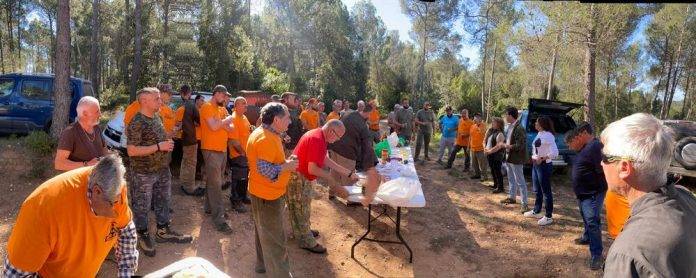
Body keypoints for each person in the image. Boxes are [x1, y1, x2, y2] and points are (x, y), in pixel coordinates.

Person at [3, 155, 138, 277]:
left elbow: (126, 231)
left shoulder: (115, 191)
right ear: (97, 192)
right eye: (113, 204)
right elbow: (15, 275)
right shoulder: (43, 209)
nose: (116, 212)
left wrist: (126, 273)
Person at [600, 113, 696, 277]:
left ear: (624, 168)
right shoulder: (686, 197)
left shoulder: (628, 254)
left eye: (605, 157)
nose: (601, 163)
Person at [126, 87, 193, 257]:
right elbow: (132, 151)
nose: (160, 101)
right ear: (145, 101)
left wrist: (170, 137)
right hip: (143, 173)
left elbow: (162, 137)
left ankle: (163, 231)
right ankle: (142, 234)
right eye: (156, 99)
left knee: (164, 201)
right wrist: (158, 146)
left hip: (162, 169)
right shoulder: (137, 122)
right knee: (141, 205)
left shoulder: (156, 117)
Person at [288, 120, 357, 254]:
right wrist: (332, 180)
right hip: (299, 177)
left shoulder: (320, 135)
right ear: (332, 131)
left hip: (302, 176)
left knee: (304, 207)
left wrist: (348, 173)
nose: (337, 140)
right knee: (301, 208)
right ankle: (306, 241)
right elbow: (312, 169)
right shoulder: (316, 139)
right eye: (338, 137)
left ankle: (304, 231)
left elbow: (325, 159)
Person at [247, 102, 299, 277]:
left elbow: (269, 163)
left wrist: (285, 163)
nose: (290, 122)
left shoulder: (267, 134)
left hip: (261, 193)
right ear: (276, 120)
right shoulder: (266, 138)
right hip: (267, 196)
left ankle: (262, 266)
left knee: (263, 232)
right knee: (276, 240)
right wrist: (288, 166)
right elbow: (266, 171)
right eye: (287, 118)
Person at [564, 122, 607, 270]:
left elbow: (602, 170)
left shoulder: (595, 146)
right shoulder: (585, 148)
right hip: (584, 193)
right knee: (586, 218)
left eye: (577, 135)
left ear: (583, 134)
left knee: (593, 222)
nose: (575, 139)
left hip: (592, 193)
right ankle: (587, 237)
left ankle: (597, 255)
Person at [328, 105, 381, 206]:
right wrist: (371, 166)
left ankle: (331, 192)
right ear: (368, 113)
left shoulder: (348, 113)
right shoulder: (362, 125)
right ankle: (351, 200)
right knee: (348, 175)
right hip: (347, 151)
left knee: (334, 171)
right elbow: (368, 147)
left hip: (334, 146)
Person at [200, 85, 235, 234]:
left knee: (213, 180)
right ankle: (219, 219)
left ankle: (209, 207)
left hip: (221, 149)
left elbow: (231, 127)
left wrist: (222, 122)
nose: (225, 98)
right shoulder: (207, 107)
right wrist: (225, 121)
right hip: (210, 149)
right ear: (216, 94)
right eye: (223, 95)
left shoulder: (222, 109)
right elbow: (214, 127)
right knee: (216, 184)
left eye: (226, 96)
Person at [54, 96, 108, 171]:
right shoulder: (70, 132)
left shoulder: (96, 127)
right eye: (97, 111)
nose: (100, 114)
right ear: (85, 114)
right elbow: (59, 164)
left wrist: (110, 158)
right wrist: (87, 164)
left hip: (98, 178)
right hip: (80, 180)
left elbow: (104, 149)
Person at [523, 116, 558, 226]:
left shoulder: (549, 136)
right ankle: (537, 210)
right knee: (537, 189)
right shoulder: (540, 134)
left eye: (537, 123)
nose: (535, 124)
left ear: (542, 125)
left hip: (543, 166)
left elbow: (555, 152)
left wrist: (542, 158)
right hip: (536, 165)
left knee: (546, 191)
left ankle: (548, 216)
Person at [499, 107, 529, 213]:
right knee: (511, 178)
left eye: (506, 115)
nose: (505, 117)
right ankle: (512, 197)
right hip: (509, 157)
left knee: (520, 181)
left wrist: (507, 146)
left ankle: (524, 204)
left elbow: (520, 145)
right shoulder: (510, 126)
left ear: (511, 116)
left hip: (516, 158)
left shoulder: (519, 128)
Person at [175, 85, 204, 196]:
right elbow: (199, 121)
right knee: (191, 163)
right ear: (189, 94)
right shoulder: (191, 106)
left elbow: (178, 124)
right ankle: (190, 187)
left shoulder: (181, 108)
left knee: (185, 161)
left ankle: (183, 183)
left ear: (181, 94)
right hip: (191, 139)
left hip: (184, 139)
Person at [227, 97, 253, 213]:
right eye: (243, 104)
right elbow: (233, 142)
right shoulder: (233, 118)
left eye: (246, 104)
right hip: (238, 154)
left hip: (246, 154)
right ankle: (235, 201)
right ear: (236, 105)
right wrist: (243, 153)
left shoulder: (244, 117)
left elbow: (247, 131)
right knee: (238, 178)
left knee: (244, 177)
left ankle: (243, 197)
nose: (246, 106)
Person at [484, 117, 506, 194]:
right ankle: (495, 184)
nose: (492, 123)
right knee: (493, 170)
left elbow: (498, 146)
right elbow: (486, 141)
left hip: (497, 155)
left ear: (499, 124)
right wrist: (486, 149)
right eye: (492, 122)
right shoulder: (492, 131)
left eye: (494, 122)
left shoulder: (500, 134)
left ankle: (500, 187)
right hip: (490, 154)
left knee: (497, 171)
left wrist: (489, 151)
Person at [469, 113, 488, 181]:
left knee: (482, 164)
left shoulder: (484, 126)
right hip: (473, 148)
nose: (475, 118)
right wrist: (469, 146)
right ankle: (477, 174)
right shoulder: (472, 126)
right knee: (474, 163)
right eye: (474, 117)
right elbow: (470, 137)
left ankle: (484, 176)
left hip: (481, 149)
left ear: (480, 118)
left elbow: (484, 134)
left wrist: (479, 125)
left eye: (477, 117)